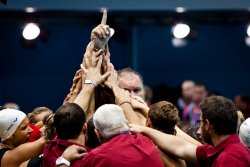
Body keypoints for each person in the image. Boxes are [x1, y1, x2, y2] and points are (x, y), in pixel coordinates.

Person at [130, 96, 250, 167]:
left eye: (200, 121)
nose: (199, 128)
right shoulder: (220, 151)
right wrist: (143, 128)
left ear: (208, 125)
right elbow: (181, 147)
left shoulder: (230, 159)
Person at [78, 104, 164, 167]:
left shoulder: (94, 159)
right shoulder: (148, 142)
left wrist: (64, 161)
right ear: (127, 123)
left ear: (97, 133)